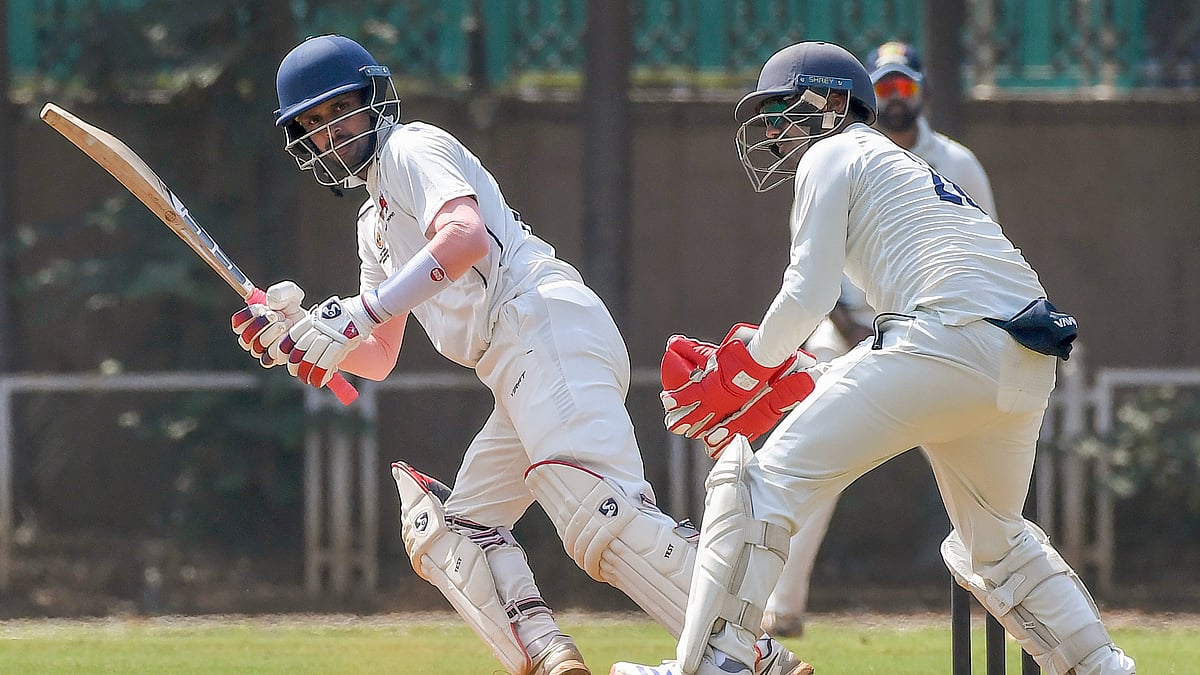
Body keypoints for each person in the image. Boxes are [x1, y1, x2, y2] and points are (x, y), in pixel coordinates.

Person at [229, 35, 812, 675]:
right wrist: (303, 334)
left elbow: (464, 237)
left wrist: (356, 314)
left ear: (373, 97)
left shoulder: (409, 148)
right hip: (517, 362)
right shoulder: (373, 225)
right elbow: (379, 353)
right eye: (313, 123)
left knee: (599, 511)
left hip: (541, 322)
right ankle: (550, 659)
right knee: (457, 535)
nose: (330, 130)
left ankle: (754, 659)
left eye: (340, 109)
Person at [612, 40, 1135, 675]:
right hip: (1023, 358)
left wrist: (748, 367)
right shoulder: (902, 167)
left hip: (944, 339)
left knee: (755, 486)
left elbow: (808, 293)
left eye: (781, 111)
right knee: (994, 545)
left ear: (831, 104)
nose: (773, 131)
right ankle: (1104, 668)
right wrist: (809, 370)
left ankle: (711, 665)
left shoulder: (833, 151)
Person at [762, 40, 1001, 639]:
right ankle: (780, 607)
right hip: (844, 325)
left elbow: (984, 249)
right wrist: (851, 326)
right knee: (804, 453)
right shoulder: (834, 155)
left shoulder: (956, 161)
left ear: (922, 91)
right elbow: (814, 275)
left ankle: (1004, 588)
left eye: (905, 86)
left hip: (935, 327)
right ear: (866, 94)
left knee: (971, 474)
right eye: (885, 87)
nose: (896, 99)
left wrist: (752, 362)